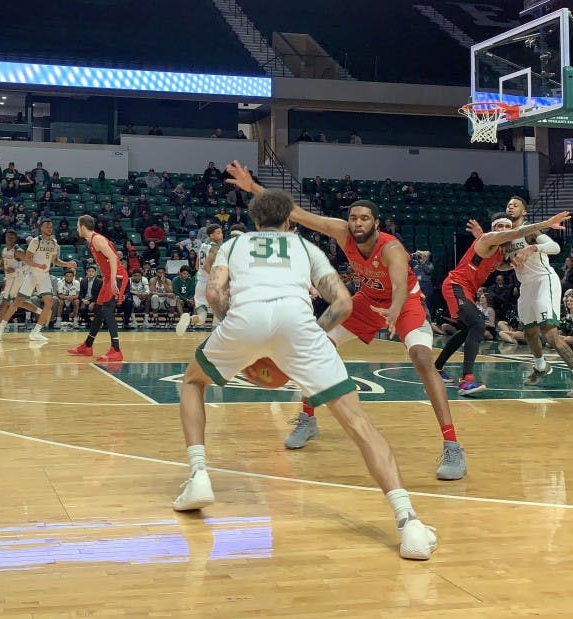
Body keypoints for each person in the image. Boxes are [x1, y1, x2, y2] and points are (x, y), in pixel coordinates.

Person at [170, 187, 438, 561]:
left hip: (245, 317)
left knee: (193, 382)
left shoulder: (235, 244)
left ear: (256, 220)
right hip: (299, 324)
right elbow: (343, 303)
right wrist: (307, 336)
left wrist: (236, 331)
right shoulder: (306, 249)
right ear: (288, 221)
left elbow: (214, 294)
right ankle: (408, 522)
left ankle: (198, 475)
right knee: (358, 423)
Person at [225, 161, 466, 480]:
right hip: (366, 303)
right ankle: (308, 419)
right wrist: (252, 186)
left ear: (376, 223)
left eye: (364, 218)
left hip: (404, 304)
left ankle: (452, 445)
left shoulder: (391, 247)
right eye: (353, 217)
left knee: (422, 358)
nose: (357, 222)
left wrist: (394, 310)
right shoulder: (341, 232)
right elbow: (295, 212)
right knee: (316, 345)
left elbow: (399, 284)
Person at [433, 211, 572, 395]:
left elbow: (503, 263)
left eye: (508, 226)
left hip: (466, 290)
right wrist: (545, 223)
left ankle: (437, 368)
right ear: (494, 230)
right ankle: (466, 381)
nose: (505, 230)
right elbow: (511, 235)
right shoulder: (488, 239)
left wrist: (518, 260)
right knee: (477, 325)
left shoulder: (499, 252)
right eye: (500, 227)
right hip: (455, 285)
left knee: (468, 329)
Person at [500, 197, 573, 397]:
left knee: (550, 334)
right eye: (508, 205)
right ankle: (541, 367)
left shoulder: (530, 231)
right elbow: (505, 264)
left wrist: (533, 248)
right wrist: (506, 264)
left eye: (515, 205)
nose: (510, 207)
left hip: (544, 281)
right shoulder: (507, 238)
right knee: (529, 333)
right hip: (526, 286)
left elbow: (555, 248)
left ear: (524, 212)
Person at [0, 219, 76, 341]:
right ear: (41, 228)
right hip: (32, 274)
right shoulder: (36, 241)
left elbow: (55, 261)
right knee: (17, 302)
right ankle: (0, 329)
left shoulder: (54, 243)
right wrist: (37, 265)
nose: (49, 228)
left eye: (51, 226)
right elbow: (27, 259)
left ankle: (36, 332)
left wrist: (67, 264)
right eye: (47, 226)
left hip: (44, 275)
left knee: (49, 302)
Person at [67, 215, 127, 361]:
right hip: (108, 278)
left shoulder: (97, 239)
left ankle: (116, 350)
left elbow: (113, 258)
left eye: (77, 226)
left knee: (107, 309)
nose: (76, 229)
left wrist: (113, 280)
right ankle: (87, 346)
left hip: (117, 276)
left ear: (82, 227)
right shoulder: (91, 242)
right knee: (99, 310)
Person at [176, 223, 223, 334]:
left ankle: (190, 319)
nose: (221, 235)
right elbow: (207, 266)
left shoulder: (202, 245)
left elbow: (197, 265)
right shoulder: (215, 248)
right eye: (218, 233)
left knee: (201, 319)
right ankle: (214, 339)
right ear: (211, 236)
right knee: (219, 313)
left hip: (200, 283)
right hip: (211, 283)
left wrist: (201, 274)